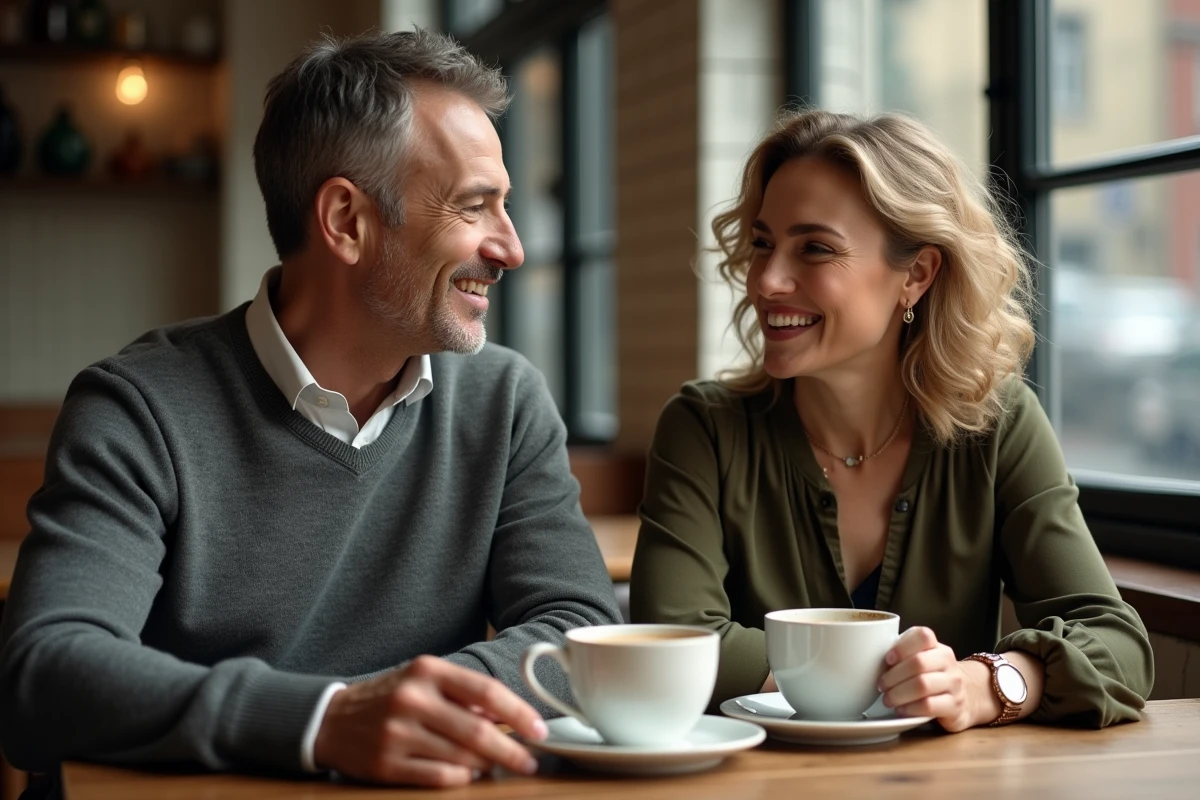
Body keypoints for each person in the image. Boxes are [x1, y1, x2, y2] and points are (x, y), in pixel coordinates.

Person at [0, 29, 622, 789]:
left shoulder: (505, 400)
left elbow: (583, 634)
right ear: (346, 222)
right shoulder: (138, 408)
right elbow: (44, 673)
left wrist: (412, 711)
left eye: (507, 207)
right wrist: (327, 720)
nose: (513, 248)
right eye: (475, 206)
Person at [630, 109, 1153, 731]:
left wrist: (982, 684)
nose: (766, 280)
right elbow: (672, 642)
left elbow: (1119, 644)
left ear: (917, 275)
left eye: (815, 248)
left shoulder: (998, 424)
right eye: (764, 242)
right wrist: (885, 679)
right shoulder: (704, 427)